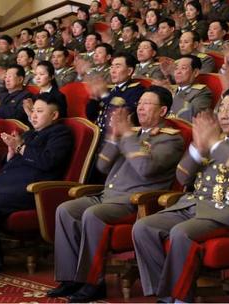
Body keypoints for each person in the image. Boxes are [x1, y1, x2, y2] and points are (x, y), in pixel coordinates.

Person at [47, 86, 184, 302]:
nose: (140, 107)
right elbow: (102, 165)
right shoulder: (133, 133)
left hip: (134, 201)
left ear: (163, 111)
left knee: (93, 214)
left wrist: (128, 135)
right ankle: (71, 278)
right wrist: (113, 137)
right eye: (139, 103)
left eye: (147, 103)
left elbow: (145, 169)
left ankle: (94, 282)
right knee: (65, 209)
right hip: (108, 195)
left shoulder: (171, 139)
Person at [133, 85, 229, 303]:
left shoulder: (218, 141)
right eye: (222, 107)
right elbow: (183, 178)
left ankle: (180, 298)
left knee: (181, 233)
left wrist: (216, 144)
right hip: (191, 205)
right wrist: (197, 150)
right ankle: (164, 295)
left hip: (225, 212)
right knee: (144, 227)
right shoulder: (210, 138)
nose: (224, 113)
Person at [0, 92, 74, 273]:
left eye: (40, 111)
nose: (34, 115)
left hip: (28, 189)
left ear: (54, 115)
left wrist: (20, 147)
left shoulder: (60, 134)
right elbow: (12, 164)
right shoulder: (29, 135)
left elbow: (47, 161)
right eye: (33, 111)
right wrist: (11, 154)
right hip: (3, 183)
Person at [168, 55, 213, 122]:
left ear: (195, 72)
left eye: (183, 68)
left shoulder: (202, 92)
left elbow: (193, 116)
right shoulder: (171, 89)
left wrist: (173, 97)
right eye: (176, 68)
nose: (178, 72)